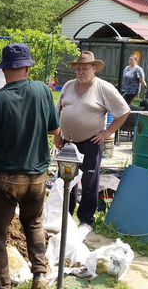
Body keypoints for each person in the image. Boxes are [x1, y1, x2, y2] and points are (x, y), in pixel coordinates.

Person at [0, 43, 59, 289]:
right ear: (27, 67)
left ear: (4, 70)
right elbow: (54, 128)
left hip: (5, 178)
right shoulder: (43, 91)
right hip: (37, 177)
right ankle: (40, 277)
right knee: (34, 223)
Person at [56, 51, 130, 227]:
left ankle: (86, 219)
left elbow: (124, 111)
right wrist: (58, 135)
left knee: (89, 180)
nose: (81, 72)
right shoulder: (68, 85)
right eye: (78, 69)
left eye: (85, 68)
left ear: (94, 68)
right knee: (66, 180)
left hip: (90, 142)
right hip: (68, 142)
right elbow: (57, 111)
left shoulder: (104, 88)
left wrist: (107, 132)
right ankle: (64, 217)